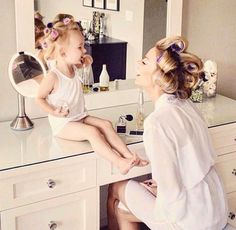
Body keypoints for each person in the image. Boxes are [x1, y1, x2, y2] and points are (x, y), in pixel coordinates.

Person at [107, 36, 228, 230]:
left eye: (145, 61)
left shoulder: (157, 122)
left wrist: (159, 192)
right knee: (122, 211)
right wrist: (157, 186)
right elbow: (190, 162)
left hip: (190, 221)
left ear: (159, 76)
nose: (138, 63)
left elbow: (172, 194)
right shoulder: (187, 105)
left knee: (116, 188)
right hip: (214, 209)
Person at [36, 17, 148, 175]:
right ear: (63, 52)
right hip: (63, 124)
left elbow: (84, 62)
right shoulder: (53, 77)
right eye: (80, 47)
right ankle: (119, 162)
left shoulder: (74, 67)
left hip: (79, 116)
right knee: (92, 132)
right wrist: (53, 111)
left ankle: (129, 156)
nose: (84, 50)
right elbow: (39, 98)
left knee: (106, 124)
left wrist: (86, 62)